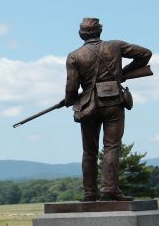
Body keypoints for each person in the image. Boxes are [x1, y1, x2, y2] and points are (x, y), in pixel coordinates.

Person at [62, 17, 151, 202]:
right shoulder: (115, 46)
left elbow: (71, 88)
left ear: (81, 34)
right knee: (111, 147)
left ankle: (90, 193)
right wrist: (123, 73)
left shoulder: (74, 56)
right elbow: (145, 54)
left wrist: (69, 100)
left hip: (88, 106)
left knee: (89, 152)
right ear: (99, 32)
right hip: (113, 103)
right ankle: (109, 189)